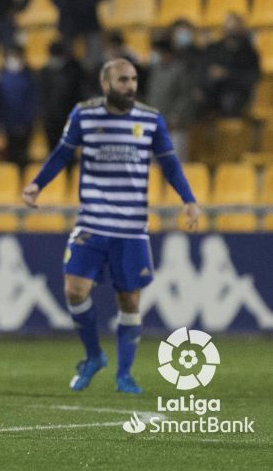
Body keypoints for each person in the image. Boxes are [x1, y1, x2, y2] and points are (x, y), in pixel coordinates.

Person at [22, 59, 202, 395]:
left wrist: (188, 200)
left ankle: (125, 375)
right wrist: (37, 184)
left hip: (132, 226)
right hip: (92, 220)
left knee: (129, 301)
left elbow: (169, 163)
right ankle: (94, 356)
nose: (130, 86)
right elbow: (63, 154)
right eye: (123, 80)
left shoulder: (150, 119)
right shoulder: (84, 115)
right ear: (106, 84)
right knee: (74, 290)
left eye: (133, 79)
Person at [146, 35, 198, 160]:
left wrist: (176, 116)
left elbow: (186, 96)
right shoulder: (156, 70)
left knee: (176, 163)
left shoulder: (180, 70)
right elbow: (152, 96)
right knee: (154, 168)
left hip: (175, 127)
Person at [202, 13, 261, 117]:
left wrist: (227, 74)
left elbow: (252, 77)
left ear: (241, 29)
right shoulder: (215, 48)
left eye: (234, 27)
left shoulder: (249, 52)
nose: (231, 30)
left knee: (229, 102)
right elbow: (204, 70)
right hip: (214, 91)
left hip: (237, 93)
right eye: (228, 27)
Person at [0, 43, 36, 169]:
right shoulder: (0, 77)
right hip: (7, 125)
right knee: (8, 159)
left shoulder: (29, 76)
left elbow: (32, 102)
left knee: (22, 158)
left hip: (24, 126)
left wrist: (25, 122)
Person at [39, 40, 85, 150]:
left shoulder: (73, 70)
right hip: (51, 120)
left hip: (68, 119)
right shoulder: (44, 73)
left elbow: (79, 94)